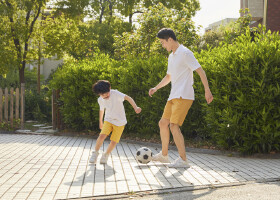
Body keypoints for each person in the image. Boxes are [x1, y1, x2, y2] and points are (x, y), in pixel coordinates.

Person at [149, 28, 213, 168]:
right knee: (163, 123)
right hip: (173, 95)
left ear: (170, 39)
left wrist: (207, 90)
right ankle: (164, 156)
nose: (162, 45)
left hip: (184, 95)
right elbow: (169, 76)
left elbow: (200, 71)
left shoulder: (185, 53)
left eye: (162, 43)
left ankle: (183, 160)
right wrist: (156, 87)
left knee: (173, 125)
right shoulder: (172, 56)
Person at [90, 80, 142, 164]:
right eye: (103, 95)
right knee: (102, 136)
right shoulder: (100, 100)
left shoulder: (116, 93)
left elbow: (128, 98)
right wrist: (100, 121)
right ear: (99, 94)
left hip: (120, 122)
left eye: (107, 93)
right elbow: (101, 110)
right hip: (108, 120)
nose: (106, 95)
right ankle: (95, 153)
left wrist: (135, 107)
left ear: (110, 88)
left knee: (114, 141)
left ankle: (106, 155)